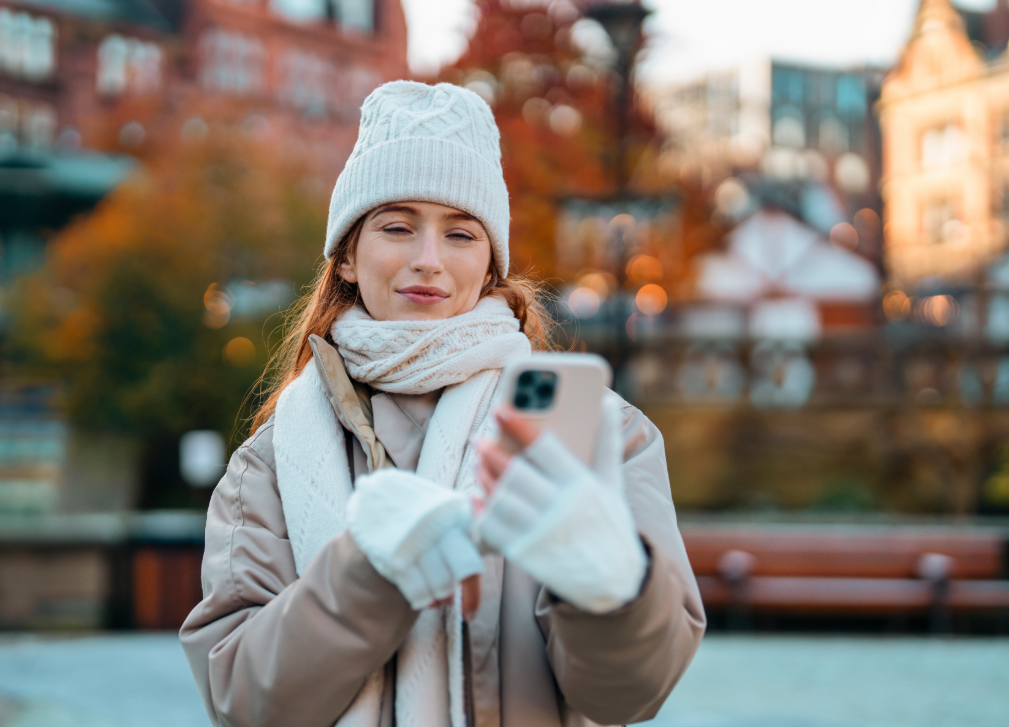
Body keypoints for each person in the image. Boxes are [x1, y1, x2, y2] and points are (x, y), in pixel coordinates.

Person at [180, 81, 705, 727]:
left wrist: (609, 579)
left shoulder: (603, 432)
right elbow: (243, 702)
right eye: (397, 227)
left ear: (489, 265)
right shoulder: (268, 463)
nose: (429, 261)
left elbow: (630, 696)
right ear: (346, 257)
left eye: (460, 234)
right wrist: (365, 574)